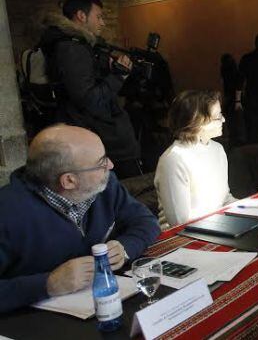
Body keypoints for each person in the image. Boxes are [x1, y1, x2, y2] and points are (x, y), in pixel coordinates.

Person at [0, 125, 160, 313]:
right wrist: (47, 284)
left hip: (104, 305)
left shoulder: (105, 185)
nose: (110, 165)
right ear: (69, 181)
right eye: (101, 162)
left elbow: (146, 221)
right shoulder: (8, 212)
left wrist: (125, 247)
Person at [38, 0, 141, 178]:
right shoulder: (72, 49)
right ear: (81, 16)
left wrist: (111, 72)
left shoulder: (80, 45)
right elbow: (89, 100)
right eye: (99, 17)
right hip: (95, 135)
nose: (103, 23)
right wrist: (118, 75)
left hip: (93, 131)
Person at [154, 91, 237, 226]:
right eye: (217, 117)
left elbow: (224, 199)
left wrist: (251, 209)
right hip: (181, 237)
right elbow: (179, 222)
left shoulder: (217, 149)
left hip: (218, 225)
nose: (223, 120)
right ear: (196, 122)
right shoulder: (173, 159)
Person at [220, 53, 245, 146]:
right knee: (238, 120)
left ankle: (234, 139)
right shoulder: (237, 72)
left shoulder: (224, 71)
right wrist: (238, 101)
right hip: (236, 99)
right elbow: (239, 86)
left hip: (229, 99)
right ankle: (238, 140)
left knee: (231, 121)